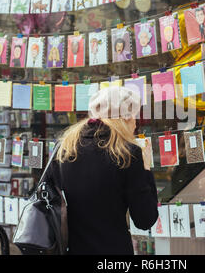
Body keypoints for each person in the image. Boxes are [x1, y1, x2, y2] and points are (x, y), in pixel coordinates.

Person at [44, 86, 158, 255]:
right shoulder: (128, 153)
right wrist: (146, 169)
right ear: (122, 117)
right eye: (133, 114)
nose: (135, 121)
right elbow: (145, 219)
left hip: (72, 249)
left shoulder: (65, 147)